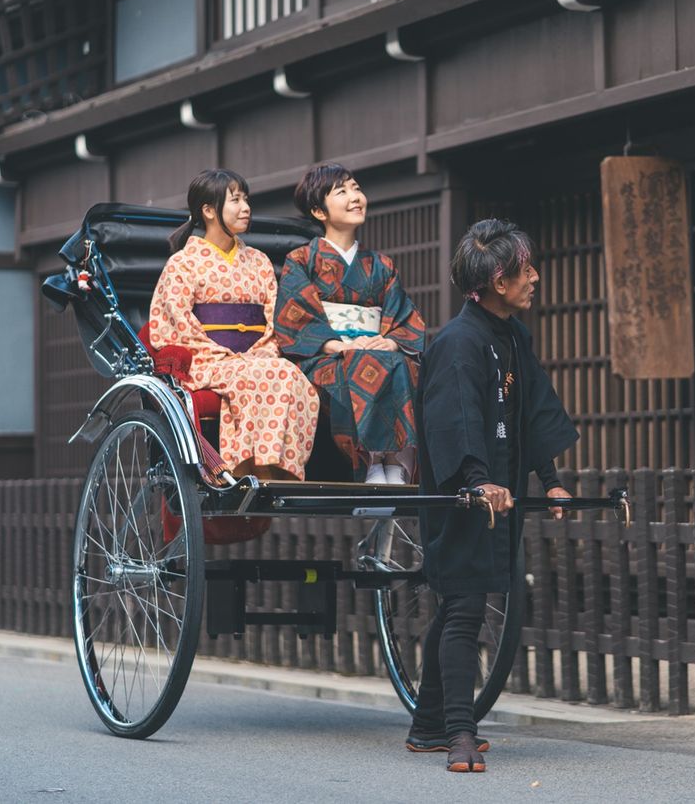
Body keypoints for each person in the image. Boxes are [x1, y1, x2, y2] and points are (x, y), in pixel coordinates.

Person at [408, 219, 578, 773]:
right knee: (463, 606)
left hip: (497, 492)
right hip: (462, 495)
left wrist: (549, 478)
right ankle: (460, 733)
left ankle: (427, 725)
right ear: (498, 282)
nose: (535, 277)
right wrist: (476, 480)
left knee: (461, 602)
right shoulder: (457, 342)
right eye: (525, 270)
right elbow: (453, 421)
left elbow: (532, 412)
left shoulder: (513, 336)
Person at [148, 168, 320, 481]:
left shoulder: (259, 260)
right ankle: (251, 469)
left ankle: (275, 469)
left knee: (291, 375)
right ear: (208, 210)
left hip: (257, 356)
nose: (246, 208)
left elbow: (274, 317)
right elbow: (176, 321)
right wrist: (228, 358)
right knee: (265, 375)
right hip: (207, 360)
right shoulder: (183, 264)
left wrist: (260, 353)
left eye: (246, 200)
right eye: (236, 200)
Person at [275, 163, 425, 484]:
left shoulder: (382, 264)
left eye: (356, 188)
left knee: (405, 365)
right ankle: (372, 461)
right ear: (319, 211)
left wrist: (391, 341)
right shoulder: (301, 260)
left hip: (376, 350)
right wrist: (339, 345)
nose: (355, 197)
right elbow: (295, 317)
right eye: (342, 192)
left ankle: (397, 462)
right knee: (361, 363)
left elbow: (403, 315)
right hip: (326, 356)